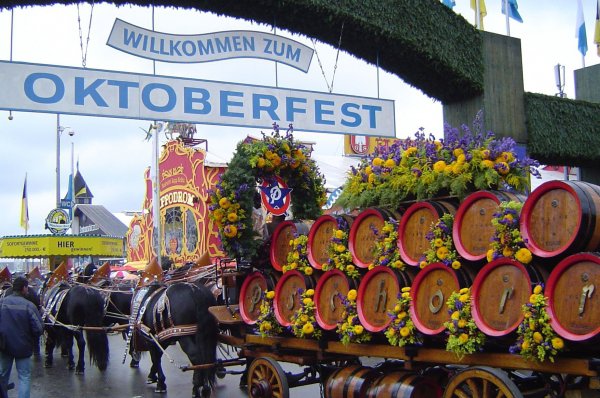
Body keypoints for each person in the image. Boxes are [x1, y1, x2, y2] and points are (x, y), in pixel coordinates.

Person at [0, 277, 43, 398]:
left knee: (2, 375)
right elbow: (39, 328)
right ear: (24, 288)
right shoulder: (29, 306)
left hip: (4, 346)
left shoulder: (2, 302)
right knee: (24, 377)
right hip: (23, 347)